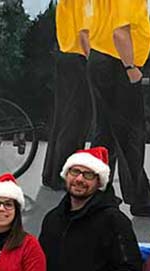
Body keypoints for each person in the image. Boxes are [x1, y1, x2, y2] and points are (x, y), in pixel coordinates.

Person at [85, 0, 150, 217]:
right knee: (131, 133)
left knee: (105, 133)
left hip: (101, 59)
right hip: (117, 64)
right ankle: (140, 200)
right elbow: (120, 33)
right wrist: (130, 66)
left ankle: (95, 193)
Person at [41, 0, 92, 190]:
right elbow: (84, 33)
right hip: (78, 59)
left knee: (62, 120)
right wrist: (92, 61)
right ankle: (63, 176)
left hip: (65, 58)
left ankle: (51, 174)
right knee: (76, 121)